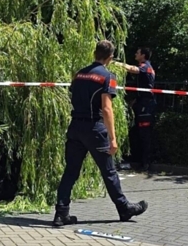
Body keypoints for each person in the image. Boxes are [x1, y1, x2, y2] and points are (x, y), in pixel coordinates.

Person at [53, 40, 148, 228]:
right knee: (109, 171)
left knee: (70, 172)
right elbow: (106, 109)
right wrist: (112, 138)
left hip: (75, 128)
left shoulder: (79, 74)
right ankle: (124, 208)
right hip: (94, 129)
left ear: (95, 53)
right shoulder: (107, 76)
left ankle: (61, 213)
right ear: (110, 57)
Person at [119, 47, 157, 175]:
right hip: (142, 103)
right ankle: (140, 161)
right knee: (140, 133)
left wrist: (117, 63)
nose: (135, 54)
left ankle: (146, 163)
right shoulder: (147, 67)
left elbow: (133, 69)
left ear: (143, 55)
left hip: (147, 105)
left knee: (145, 134)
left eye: (137, 52)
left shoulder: (145, 66)